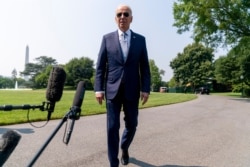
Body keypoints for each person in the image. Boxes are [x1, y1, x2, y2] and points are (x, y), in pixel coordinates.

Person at [94, 4, 151, 167]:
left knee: (132, 125)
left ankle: (124, 147)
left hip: (132, 90)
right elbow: (100, 66)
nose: (122, 17)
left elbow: (144, 67)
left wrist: (145, 88)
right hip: (112, 89)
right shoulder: (107, 39)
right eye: (119, 14)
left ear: (131, 19)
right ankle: (113, 163)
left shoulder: (140, 40)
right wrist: (98, 89)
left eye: (126, 14)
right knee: (112, 128)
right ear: (115, 18)